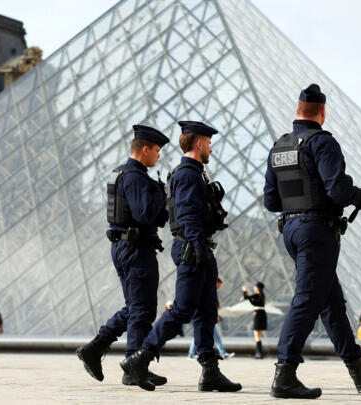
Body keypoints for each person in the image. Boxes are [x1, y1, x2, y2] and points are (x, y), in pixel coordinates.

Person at [263, 84, 361, 399]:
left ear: (297, 110)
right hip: (317, 232)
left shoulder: (279, 148)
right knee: (306, 300)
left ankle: (359, 370)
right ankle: (285, 373)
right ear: (322, 112)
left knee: (331, 301)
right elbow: (338, 192)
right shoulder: (323, 143)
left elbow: (270, 201)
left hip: (291, 230)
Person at [120, 121, 242, 393]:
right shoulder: (188, 174)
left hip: (198, 247)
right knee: (183, 310)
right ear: (199, 144)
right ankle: (141, 358)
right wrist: (199, 248)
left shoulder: (193, 172)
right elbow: (187, 215)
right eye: (208, 143)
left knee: (207, 312)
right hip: (192, 248)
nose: (211, 147)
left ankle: (210, 370)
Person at [76, 125, 170, 387]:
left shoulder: (123, 174)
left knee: (134, 307)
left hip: (124, 246)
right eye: (157, 151)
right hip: (136, 249)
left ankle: (97, 348)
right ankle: (133, 365)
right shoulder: (136, 178)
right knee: (142, 308)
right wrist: (162, 195)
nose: (159, 156)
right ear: (145, 150)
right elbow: (144, 214)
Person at [189, 278, 235, 360]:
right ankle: (223, 353)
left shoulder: (209, 291)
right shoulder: (208, 291)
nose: (219, 287)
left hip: (207, 317)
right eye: (219, 285)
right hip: (205, 317)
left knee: (199, 335)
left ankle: (191, 354)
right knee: (206, 336)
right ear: (215, 283)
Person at [242, 281, 267, 359]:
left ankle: (259, 353)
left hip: (258, 315)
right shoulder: (262, 295)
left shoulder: (256, 295)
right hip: (262, 314)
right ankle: (259, 353)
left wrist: (244, 291)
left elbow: (247, 298)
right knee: (258, 335)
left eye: (255, 287)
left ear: (257, 288)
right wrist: (248, 296)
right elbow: (252, 301)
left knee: (256, 334)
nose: (254, 287)